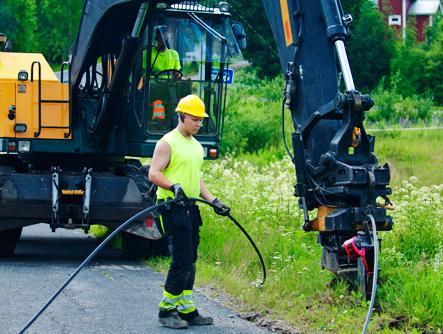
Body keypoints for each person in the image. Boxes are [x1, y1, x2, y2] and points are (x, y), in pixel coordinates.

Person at [148, 94, 230, 329]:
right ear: (182, 116)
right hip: (172, 208)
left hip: (191, 209)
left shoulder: (196, 146)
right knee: (181, 260)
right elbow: (154, 173)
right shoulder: (167, 142)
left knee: (191, 259)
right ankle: (166, 311)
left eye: (201, 120)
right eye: (194, 119)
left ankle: (187, 309)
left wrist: (214, 200)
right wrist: (173, 187)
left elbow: (197, 178)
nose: (198, 124)